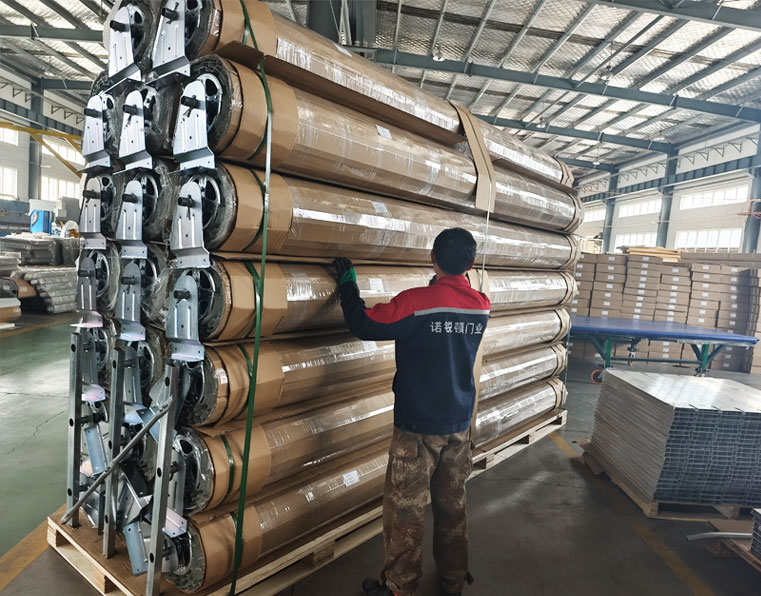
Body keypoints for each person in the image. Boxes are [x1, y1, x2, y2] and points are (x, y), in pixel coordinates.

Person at [333, 227, 491, 596]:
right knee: (453, 506)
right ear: (471, 264)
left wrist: (348, 287)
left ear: (432, 258)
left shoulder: (416, 302)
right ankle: (453, 581)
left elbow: (364, 324)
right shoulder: (481, 304)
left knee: (406, 509)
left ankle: (399, 587)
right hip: (459, 423)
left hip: (417, 426)